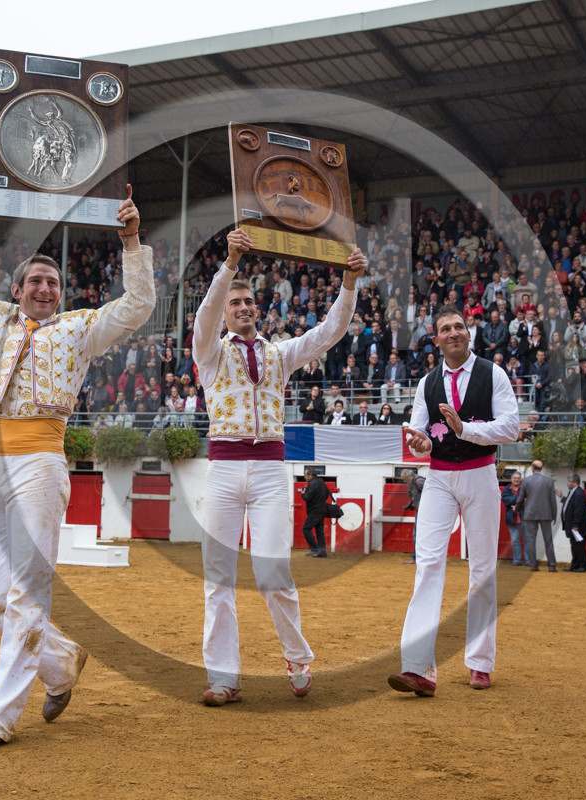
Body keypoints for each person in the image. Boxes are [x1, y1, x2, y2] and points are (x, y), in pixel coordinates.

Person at [0, 177, 153, 749]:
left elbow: (137, 305)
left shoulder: (80, 329)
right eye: (35, 281)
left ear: (61, 292)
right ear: (17, 288)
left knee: (26, 591)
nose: (45, 289)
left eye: (53, 283)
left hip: (40, 462)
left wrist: (131, 241)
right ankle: (60, 660)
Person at [192, 227, 366, 707]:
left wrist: (349, 283)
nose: (243, 307)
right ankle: (224, 677)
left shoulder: (278, 353)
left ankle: (297, 657)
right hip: (224, 470)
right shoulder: (209, 351)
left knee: (273, 573)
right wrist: (229, 265)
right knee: (217, 580)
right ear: (225, 311)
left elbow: (328, 333)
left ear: (259, 308)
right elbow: (204, 318)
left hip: (270, 471)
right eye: (234, 302)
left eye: (249, 301)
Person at [388, 306, 519, 696]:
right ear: (436, 339)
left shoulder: (493, 374)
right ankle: (417, 668)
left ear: (469, 332)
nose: (454, 333)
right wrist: (421, 442)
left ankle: (480, 662)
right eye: (446, 329)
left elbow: (511, 427)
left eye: (459, 326)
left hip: (481, 473)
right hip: (439, 475)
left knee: (482, 568)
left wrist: (466, 429)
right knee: (428, 564)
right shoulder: (427, 383)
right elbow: (421, 433)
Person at [516, 460, 558, 572]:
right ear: (541, 469)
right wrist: (554, 514)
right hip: (545, 513)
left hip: (530, 513)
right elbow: (552, 499)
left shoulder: (526, 481)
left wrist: (517, 508)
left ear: (532, 468)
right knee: (548, 540)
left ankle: (533, 564)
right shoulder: (549, 481)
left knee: (531, 540)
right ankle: (552, 565)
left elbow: (520, 498)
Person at [562, 473, 586, 572]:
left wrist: (575, 524)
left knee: (579, 546)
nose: (567, 483)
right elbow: (570, 505)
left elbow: (578, 510)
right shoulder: (573, 492)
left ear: (575, 483)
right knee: (574, 546)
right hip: (574, 525)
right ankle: (575, 564)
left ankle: (583, 565)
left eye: (569, 481)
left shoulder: (579, 493)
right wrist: (561, 497)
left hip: (579, 526)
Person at [299, 467, 330, 558]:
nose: (304, 477)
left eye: (306, 475)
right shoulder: (321, 481)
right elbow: (327, 494)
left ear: (311, 475)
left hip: (315, 510)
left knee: (306, 528)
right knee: (319, 531)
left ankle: (314, 549)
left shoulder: (312, 484)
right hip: (322, 509)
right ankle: (322, 552)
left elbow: (307, 497)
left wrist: (303, 493)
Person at [401, 468, 426, 565]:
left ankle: (416, 558)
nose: (404, 481)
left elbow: (430, 494)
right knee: (418, 534)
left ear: (410, 476)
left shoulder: (419, 481)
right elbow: (413, 496)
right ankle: (417, 558)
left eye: (405, 479)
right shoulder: (412, 483)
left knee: (417, 534)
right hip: (420, 510)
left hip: (424, 512)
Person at [501, 471, 524, 566]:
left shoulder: (524, 488)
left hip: (524, 517)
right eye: (515, 478)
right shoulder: (506, 489)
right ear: (511, 479)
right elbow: (506, 501)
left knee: (528, 540)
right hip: (512, 518)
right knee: (515, 540)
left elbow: (529, 500)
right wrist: (520, 500)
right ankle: (517, 559)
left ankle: (528, 560)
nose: (516, 480)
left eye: (518, 478)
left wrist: (515, 502)